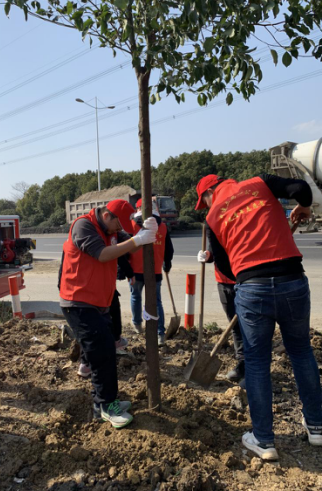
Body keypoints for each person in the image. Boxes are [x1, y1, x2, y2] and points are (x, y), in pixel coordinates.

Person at [195, 172, 322, 460]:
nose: (205, 206)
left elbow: (227, 269)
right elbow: (301, 188)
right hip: (292, 279)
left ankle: (264, 440)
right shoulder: (258, 183)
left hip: (252, 288)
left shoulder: (214, 217)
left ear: (209, 194)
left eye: (203, 201)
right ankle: (317, 425)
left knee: (255, 363)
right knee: (302, 352)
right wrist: (303, 206)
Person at [59, 199, 157, 429]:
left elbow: (129, 243)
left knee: (106, 352)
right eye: (117, 225)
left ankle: (107, 402)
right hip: (78, 302)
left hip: (97, 302)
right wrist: (137, 239)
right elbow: (102, 254)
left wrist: (147, 231)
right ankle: (105, 406)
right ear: (107, 216)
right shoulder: (84, 226)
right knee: (101, 354)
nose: (118, 231)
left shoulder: (110, 230)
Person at [129, 198, 174, 346]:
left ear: (137, 209)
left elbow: (125, 249)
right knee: (156, 302)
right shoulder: (162, 227)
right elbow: (169, 249)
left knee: (136, 297)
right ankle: (160, 333)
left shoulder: (132, 226)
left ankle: (137, 324)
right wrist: (167, 263)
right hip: (155, 272)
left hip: (135, 271)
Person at [196, 251, 244, 383]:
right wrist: (207, 255)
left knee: (249, 324)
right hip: (223, 281)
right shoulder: (215, 230)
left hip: (244, 278)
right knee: (234, 326)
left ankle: (254, 367)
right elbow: (214, 251)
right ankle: (242, 363)